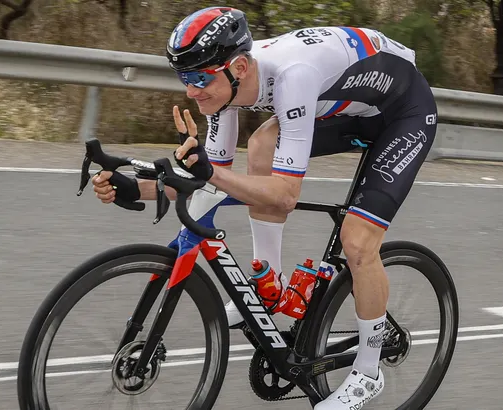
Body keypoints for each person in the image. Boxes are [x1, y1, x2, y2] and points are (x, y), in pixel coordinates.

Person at [92, 6, 438, 409]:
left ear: (239, 67)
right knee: (261, 145)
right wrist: (137, 189)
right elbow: (207, 181)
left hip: (403, 113)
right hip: (349, 108)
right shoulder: (224, 90)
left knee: (358, 242)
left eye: (199, 79)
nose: (191, 91)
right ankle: (268, 282)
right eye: (184, 79)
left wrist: (210, 174)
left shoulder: (293, 76)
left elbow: (284, 195)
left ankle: (368, 371)